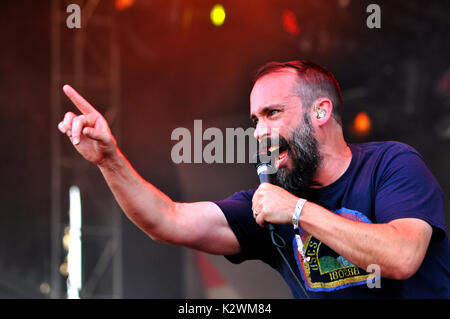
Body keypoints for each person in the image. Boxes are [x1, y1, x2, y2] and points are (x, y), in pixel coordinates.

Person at [57, 60, 450, 298]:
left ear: (320, 112)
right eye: (254, 120)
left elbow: (402, 257)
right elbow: (167, 220)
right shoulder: (267, 204)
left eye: (272, 113)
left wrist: (297, 212)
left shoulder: (391, 165)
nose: (259, 132)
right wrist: (109, 159)